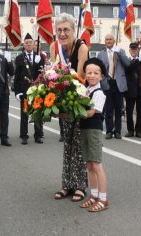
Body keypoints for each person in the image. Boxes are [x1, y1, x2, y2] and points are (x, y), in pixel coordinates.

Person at [50, 13, 89, 202]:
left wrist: (63, 90)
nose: (62, 33)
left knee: (79, 144)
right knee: (67, 143)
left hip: (79, 99)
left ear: (73, 30)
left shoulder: (82, 48)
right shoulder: (54, 47)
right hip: (64, 99)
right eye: (59, 30)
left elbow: (80, 78)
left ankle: (80, 185)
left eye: (66, 29)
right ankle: (67, 184)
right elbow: (52, 75)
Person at [78, 58, 109, 212]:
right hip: (84, 129)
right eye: (89, 72)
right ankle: (93, 195)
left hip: (94, 130)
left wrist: (73, 113)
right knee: (89, 165)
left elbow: (90, 113)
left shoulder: (99, 93)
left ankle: (103, 199)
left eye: (95, 73)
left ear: (101, 76)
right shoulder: (85, 90)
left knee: (96, 165)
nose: (91, 75)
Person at [14, 33, 45, 145]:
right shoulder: (19, 58)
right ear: (23, 45)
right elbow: (16, 76)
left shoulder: (39, 57)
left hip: (36, 91)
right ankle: (24, 135)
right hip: (25, 91)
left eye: (30, 43)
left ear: (34, 44)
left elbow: (42, 73)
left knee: (37, 113)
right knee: (25, 113)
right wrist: (17, 91)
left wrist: (39, 63)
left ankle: (38, 135)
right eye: (26, 43)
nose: (28, 44)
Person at [97, 34, 130, 139]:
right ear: (105, 41)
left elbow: (127, 64)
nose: (108, 41)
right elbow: (99, 69)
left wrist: (119, 52)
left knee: (119, 109)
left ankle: (118, 131)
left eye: (110, 39)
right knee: (108, 109)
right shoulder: (101, 54)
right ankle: (109, 131)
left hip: (118, 83)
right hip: (108, 82)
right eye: (107, 39)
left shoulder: (120, 51)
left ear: (114, 40)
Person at [124, 42, 141, 138]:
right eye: (132, 49)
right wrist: (139, 60)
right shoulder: (127, 60)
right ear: (129, 50)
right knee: (129, 111)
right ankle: (130, 130)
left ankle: (139, 130)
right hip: (130, 90)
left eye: (136, 49)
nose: (134, 51)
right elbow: (129, 68)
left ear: (138, 50)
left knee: (140, 111)